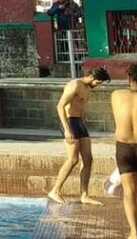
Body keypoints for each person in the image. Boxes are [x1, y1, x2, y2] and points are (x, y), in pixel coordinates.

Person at [47, 66, 111, 205]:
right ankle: (55, 190)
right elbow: (60, 106)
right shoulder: (74, 85)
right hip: (70, 122)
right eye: (98, 83)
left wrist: (83, 123)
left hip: (79, 123)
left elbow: (81, 108)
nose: (98, 86)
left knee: (88, 159)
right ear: (92, 77)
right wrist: (67, 129)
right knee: (73, 159)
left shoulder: (87, 88)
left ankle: (84, 195)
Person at [112, 63, 137, 238]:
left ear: (129, 78)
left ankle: (135, 233)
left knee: (130, 193)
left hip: (123, 149)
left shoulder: (116, 95)